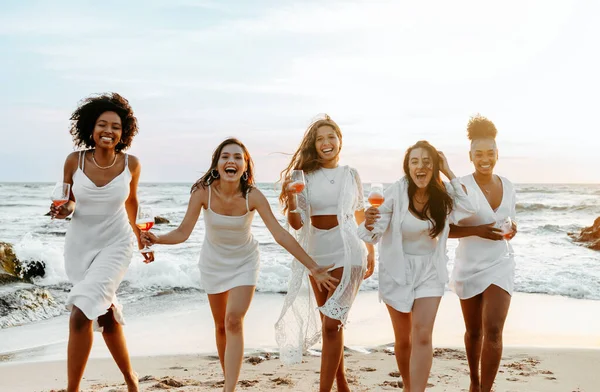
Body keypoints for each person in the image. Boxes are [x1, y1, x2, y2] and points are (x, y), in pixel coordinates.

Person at [141, 138, 337, 392]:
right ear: (217, 164)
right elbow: (182, 233)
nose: (231, 161)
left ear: (245, 166)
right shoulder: (203, 191)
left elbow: (280, 234)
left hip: (245, 262)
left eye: (237, 157)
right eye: (225, 157)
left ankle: (229, 389)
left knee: (233, 320)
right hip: (212, 263)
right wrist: (158, 239)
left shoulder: (252, 195)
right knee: (221, 326)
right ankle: (229, 377)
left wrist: (312, 266)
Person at [50, 93, 152, 392]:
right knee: (105, 316)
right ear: (91, 129)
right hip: (80, 245)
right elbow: (69, 203)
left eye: (116, 126)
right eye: (102, 124)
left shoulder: (131, 164)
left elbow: (132, 203)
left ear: (124, 133)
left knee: (80, 314)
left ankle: (73, 389)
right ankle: (132, 380)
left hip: (117, 243)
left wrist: (142, 241)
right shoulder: (74, 160)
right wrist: (61, 209)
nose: (109, 130)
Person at [357, 140, 475, 392]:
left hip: (430, 272)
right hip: (397, 271)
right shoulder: (395, 193)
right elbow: (372, 234)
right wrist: (368, 222)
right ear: (407, 167)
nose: (420, 167)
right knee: (403, 340)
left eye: (427, 161)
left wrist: (449, 172)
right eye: (414, 161)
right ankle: (409, 387)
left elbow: (469, 207)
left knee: (422, 336)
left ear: (434, 167)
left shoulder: (442, 196)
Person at [275, 115, 375, 392]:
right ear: (314, 145)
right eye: (320, 139)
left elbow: (358, 213)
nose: (326, 142)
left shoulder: (350, 174)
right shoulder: (303, 177)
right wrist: (292, 198)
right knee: (330, 326)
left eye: (331, 136)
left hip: (348, 252)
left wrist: (370, 249)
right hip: (317, 254)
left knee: (332, 325)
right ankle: (342, 384)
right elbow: (297, 225)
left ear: (340, 140)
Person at [449, 115, 517, 392]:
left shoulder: (509, 185)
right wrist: (476, 231)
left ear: (497, 154)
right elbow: (445, 230)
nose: (485, 158)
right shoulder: (460, 186)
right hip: (469, 264)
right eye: (479, 154)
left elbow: (509, 220)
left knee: (494, 330)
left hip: (500, 262)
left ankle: (485, 390)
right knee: (474, 331)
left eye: (490, 153)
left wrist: (513, 228)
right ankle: (474, 383)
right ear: (470, 156)